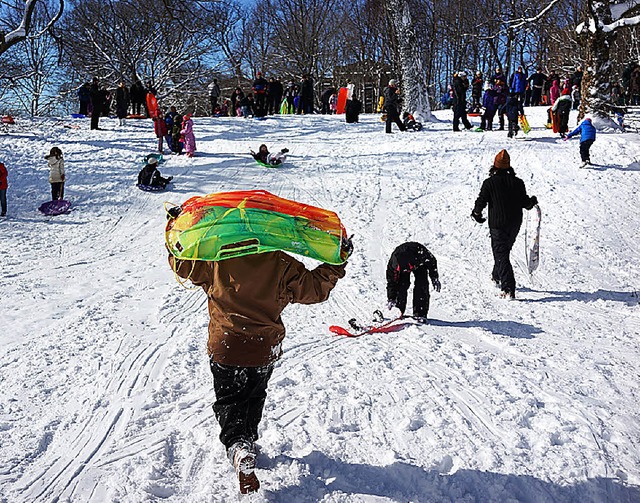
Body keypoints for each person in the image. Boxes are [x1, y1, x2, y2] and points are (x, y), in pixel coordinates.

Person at [166, 223, 350, 494]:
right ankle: (246, 441)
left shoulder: (217, 258)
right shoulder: (280, 262)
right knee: (254, 394)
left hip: (225, 346)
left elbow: (183, 265)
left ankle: (239, 446)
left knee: (229, 400)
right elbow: (313, 289)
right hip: (262, 347)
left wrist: (173, 232)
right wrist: (336, 262)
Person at [471, 149, 538, 299]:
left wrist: (476, 213)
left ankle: (508, 288)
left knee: (501, 253)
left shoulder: (489, 183)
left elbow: (481, 201)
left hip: (498, 224)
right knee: (503, 251)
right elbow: (525, 203)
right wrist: (532, 201)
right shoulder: (518, 182)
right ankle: (497, 275)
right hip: (514, 224)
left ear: (495, 165)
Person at [386, 242, 441, 323]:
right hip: (406, 262)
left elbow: (432, 261)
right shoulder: (393, 266)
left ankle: (420, 313)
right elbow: (392, 282)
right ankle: (398, 310)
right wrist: (391, 298)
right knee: (401, 285)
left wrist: (434, 277)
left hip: (418, 263)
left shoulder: (421, 253)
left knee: (422, 284)